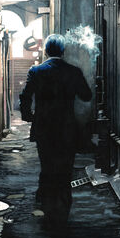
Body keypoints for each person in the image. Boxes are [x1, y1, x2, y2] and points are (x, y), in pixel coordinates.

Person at [19, 34, 92, 228]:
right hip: (67, 127)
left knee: (47, 163)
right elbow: (86, 95)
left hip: (44, 127)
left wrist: (29, 116)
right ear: (63, 51)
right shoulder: (73, 72)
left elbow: (25, 96)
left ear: (46, 51)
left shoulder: (36, 71)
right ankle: (63, 203)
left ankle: (47, 201)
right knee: (65, 166)